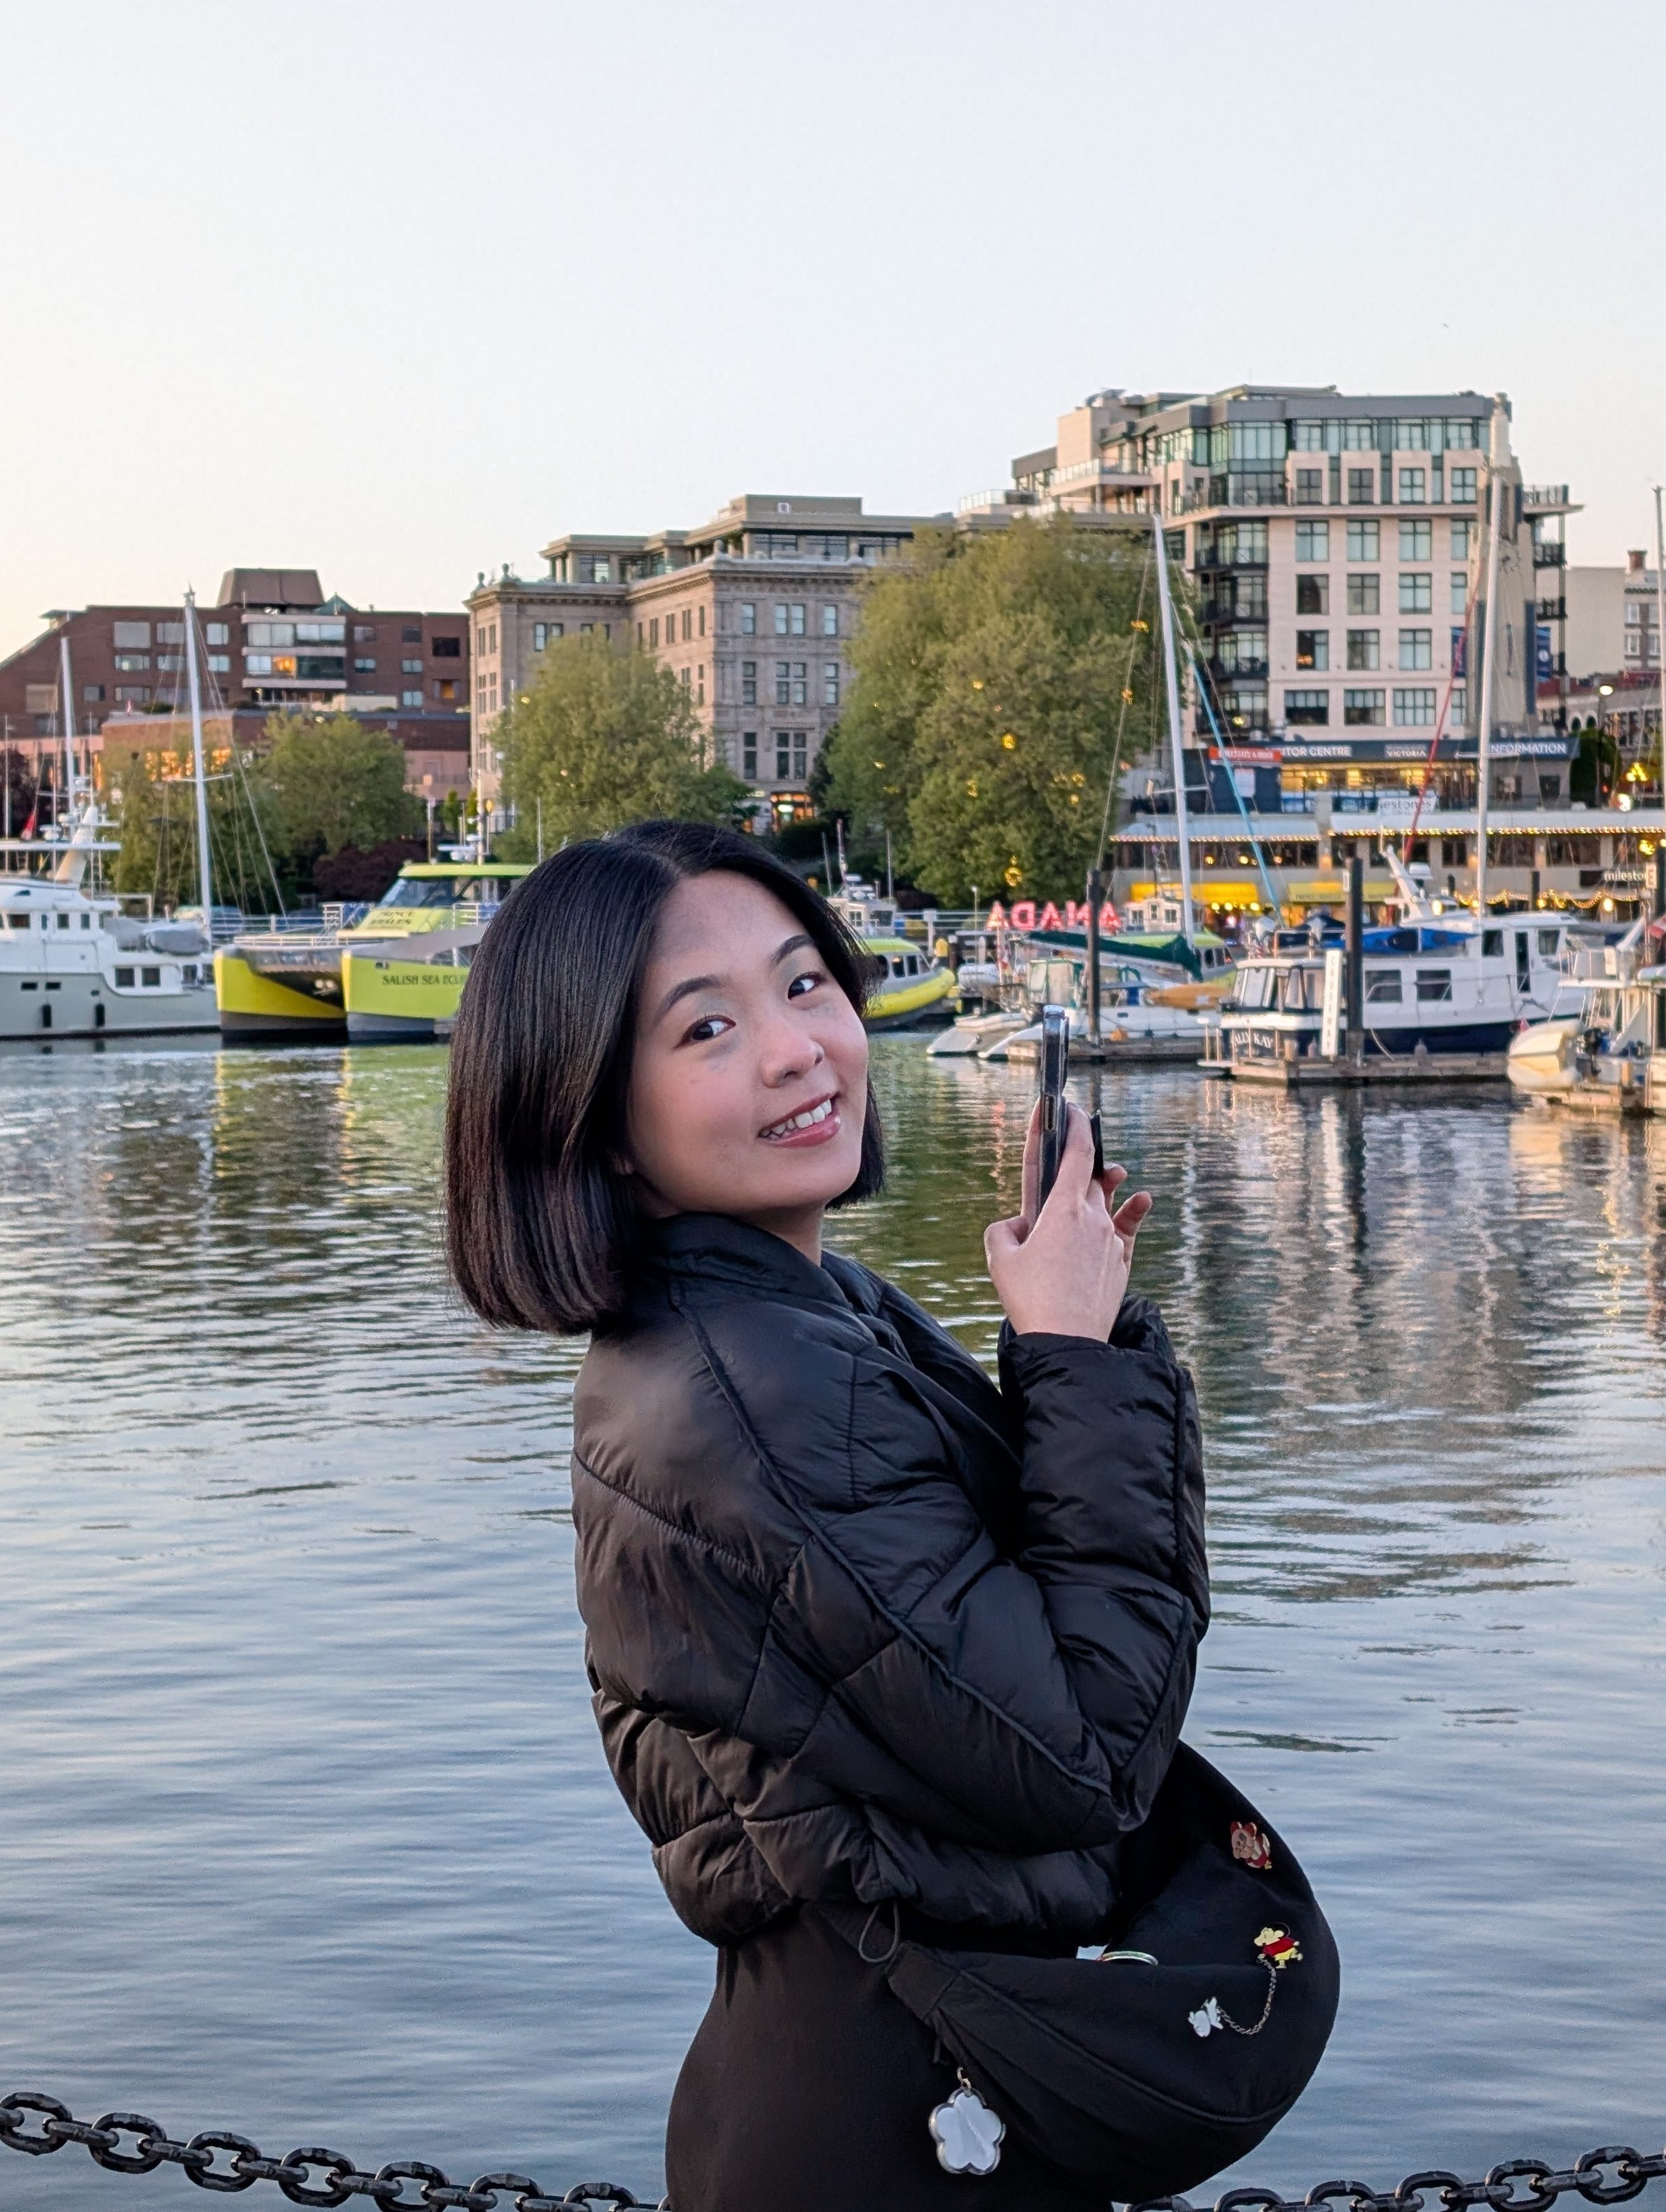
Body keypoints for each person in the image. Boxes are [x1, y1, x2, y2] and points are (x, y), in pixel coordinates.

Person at [445, 821, 1209, 2212]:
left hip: (878, 2075)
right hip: (893, 2124)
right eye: (708, 1027)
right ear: (595, 1120)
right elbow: (1085, 1752)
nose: (799, 1049)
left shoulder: (782, 1318)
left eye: (805, 983)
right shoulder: (758, 1387)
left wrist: (1078, 1345)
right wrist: (1075, 1356)